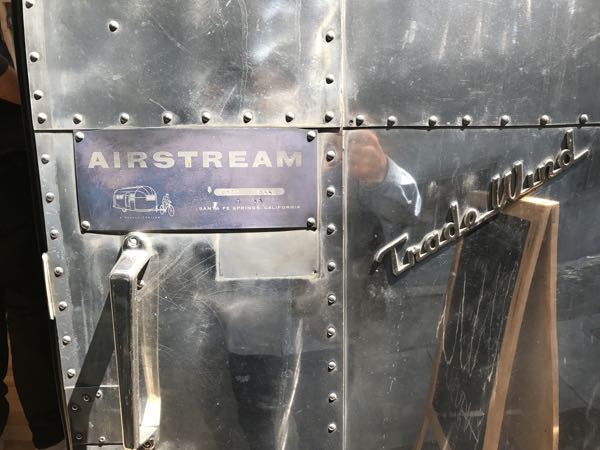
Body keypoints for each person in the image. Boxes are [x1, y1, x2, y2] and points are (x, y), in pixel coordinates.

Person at [0, 32, 65, 450]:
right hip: (8, 163)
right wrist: (49, 100)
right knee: (27, 307)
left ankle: (45, 430)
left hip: (12, 158)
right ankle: (50, 432)